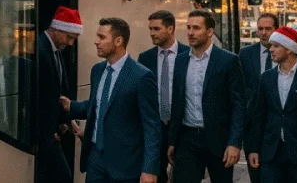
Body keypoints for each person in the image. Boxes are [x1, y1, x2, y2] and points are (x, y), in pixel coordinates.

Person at [61, 18, 160, 183]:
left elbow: (152, 127)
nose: (96, 41)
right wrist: (71, 106)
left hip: (125, 166)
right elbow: (98, 105)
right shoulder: (97, 71)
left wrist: (149, 169)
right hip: (95, 161)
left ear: (119, 41)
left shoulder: (141, 76)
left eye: (101, 37)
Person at [168, 9, 246, 183]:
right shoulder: (181, 61)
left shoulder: (228, 61)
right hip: (187, 138)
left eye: (196, 28)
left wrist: (234, 143)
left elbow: (239, 104)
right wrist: (172, 141)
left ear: (210, 31)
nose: (190, 33)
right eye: (188, 28)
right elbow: (177, 103)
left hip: (219, 139)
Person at [247, 26, 297, 183]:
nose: (271, 50)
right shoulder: (266, 78)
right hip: (271, 152)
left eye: (276, 46)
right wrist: (253, 149)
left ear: (289, 49)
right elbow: (259, 116)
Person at [138, 10, 190, 183]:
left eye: (156, 29)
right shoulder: (145, 58)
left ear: (170, 28)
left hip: (182, 127)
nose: (152, 33)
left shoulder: (188, 55)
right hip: (155, 127)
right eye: (150, 29)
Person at [37, 6, 82, 183]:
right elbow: (40, 98)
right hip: (45, 137)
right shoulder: (40, 49)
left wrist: (65, 120)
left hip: (52, 133)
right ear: (56, 28)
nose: (70, 43)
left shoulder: (54, 49)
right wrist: (49, 133)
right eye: (69, 37)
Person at [239, 13, 278, 183]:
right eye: (260, 29)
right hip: (253, 125)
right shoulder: (245, 54)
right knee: (256, 175)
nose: (263, 32)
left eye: (268, 29)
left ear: (276, 30)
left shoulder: (286, 53)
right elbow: (239, 89)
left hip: (277, 124)